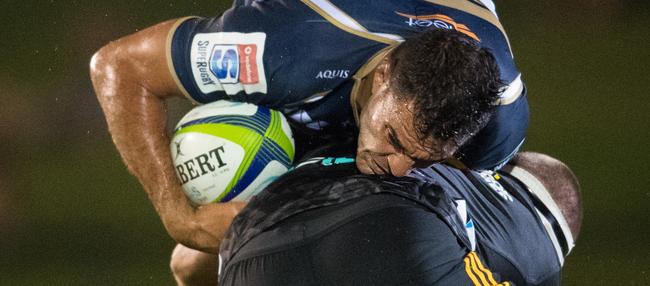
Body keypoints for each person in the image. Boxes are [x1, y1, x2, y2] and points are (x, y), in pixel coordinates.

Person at [90, 0, 528, 282]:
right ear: (382, 76)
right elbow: (118, 67)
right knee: (192, 264)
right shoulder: (286, 50)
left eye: (421, 157)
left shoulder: (497, 119)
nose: (398, 167)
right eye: (395, 140)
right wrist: (181, 218)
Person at [212, 151, 581, 285]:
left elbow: (187, 262)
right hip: (390, 230)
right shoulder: (537, 250)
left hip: (252, 243)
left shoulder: (447, 162)